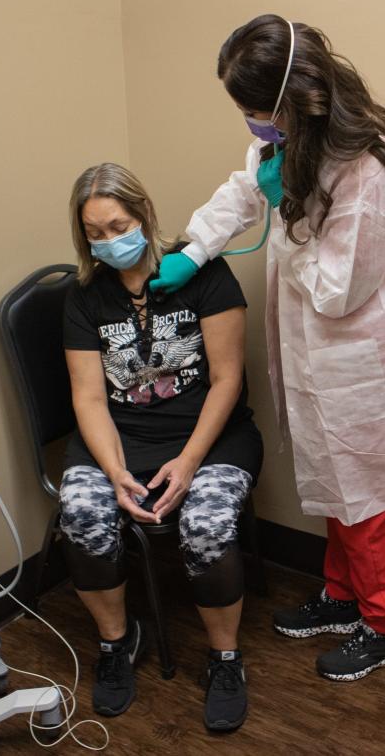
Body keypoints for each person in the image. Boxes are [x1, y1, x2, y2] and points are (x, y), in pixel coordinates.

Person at [150, 15, 385, 682]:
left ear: (296, 97)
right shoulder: (290, 139)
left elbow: (337, 291)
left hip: (363, 358)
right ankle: (343, 597)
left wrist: (286, 210)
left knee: (363, 492)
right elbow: (243, 193)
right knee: (333, 479)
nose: (252, 125)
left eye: (257, 110)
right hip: (317, 353)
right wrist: (194, 248)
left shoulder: (370, 169)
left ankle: (384, 625)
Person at [60, 163, 263, 730]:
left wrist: (190, 460)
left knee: (207, 521)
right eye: (95, 234)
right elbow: (90, 399)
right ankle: (117, 643)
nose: (109, 241)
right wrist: (115, 469)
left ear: (144, 216)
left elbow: (227, 380)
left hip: (211, 436)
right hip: (120, 439)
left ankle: (225, 658)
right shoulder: (84, 298)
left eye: (118, 226)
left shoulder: (204, 273)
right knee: (80, 513)